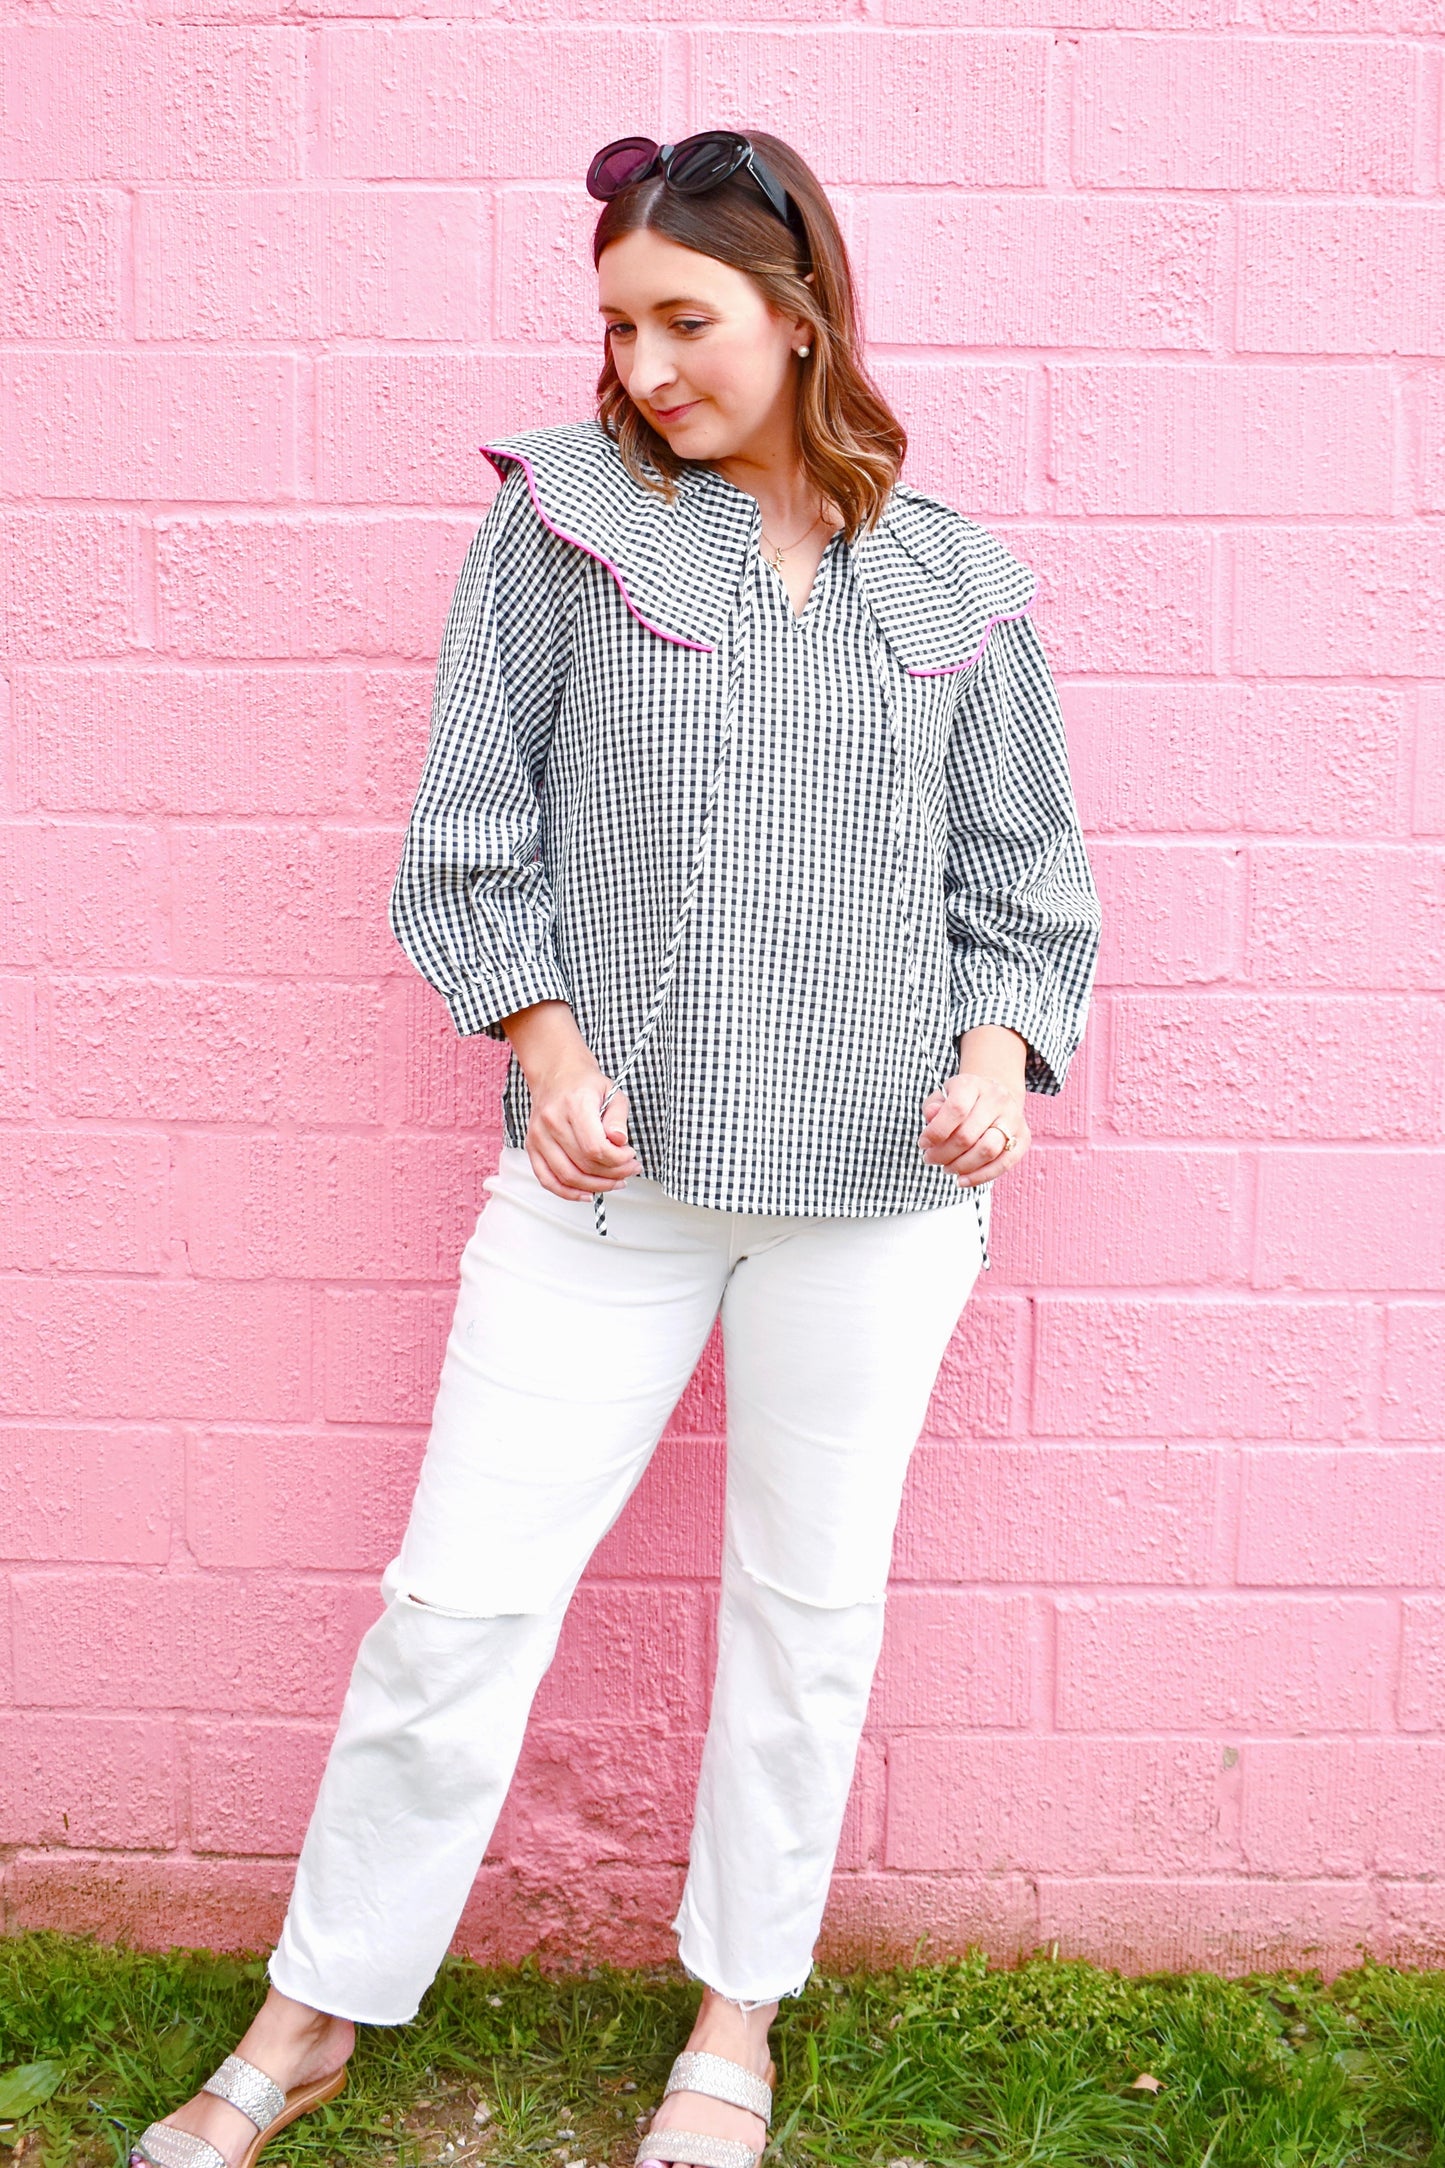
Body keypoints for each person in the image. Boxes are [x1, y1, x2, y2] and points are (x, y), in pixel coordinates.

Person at [130, 128, 1101, 2168]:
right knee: (457, 1608)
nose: (646, 365)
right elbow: (471, 834)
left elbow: (1023, 889)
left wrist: (999, 1056)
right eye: (620, 323)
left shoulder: (959, 583)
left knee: (805, 1616)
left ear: (799, 315)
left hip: (883, 1197)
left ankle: (732, 2027)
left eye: (687, 320)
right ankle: (308, 2016)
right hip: (608, 1189)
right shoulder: (565, 526)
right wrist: (546, 1041)